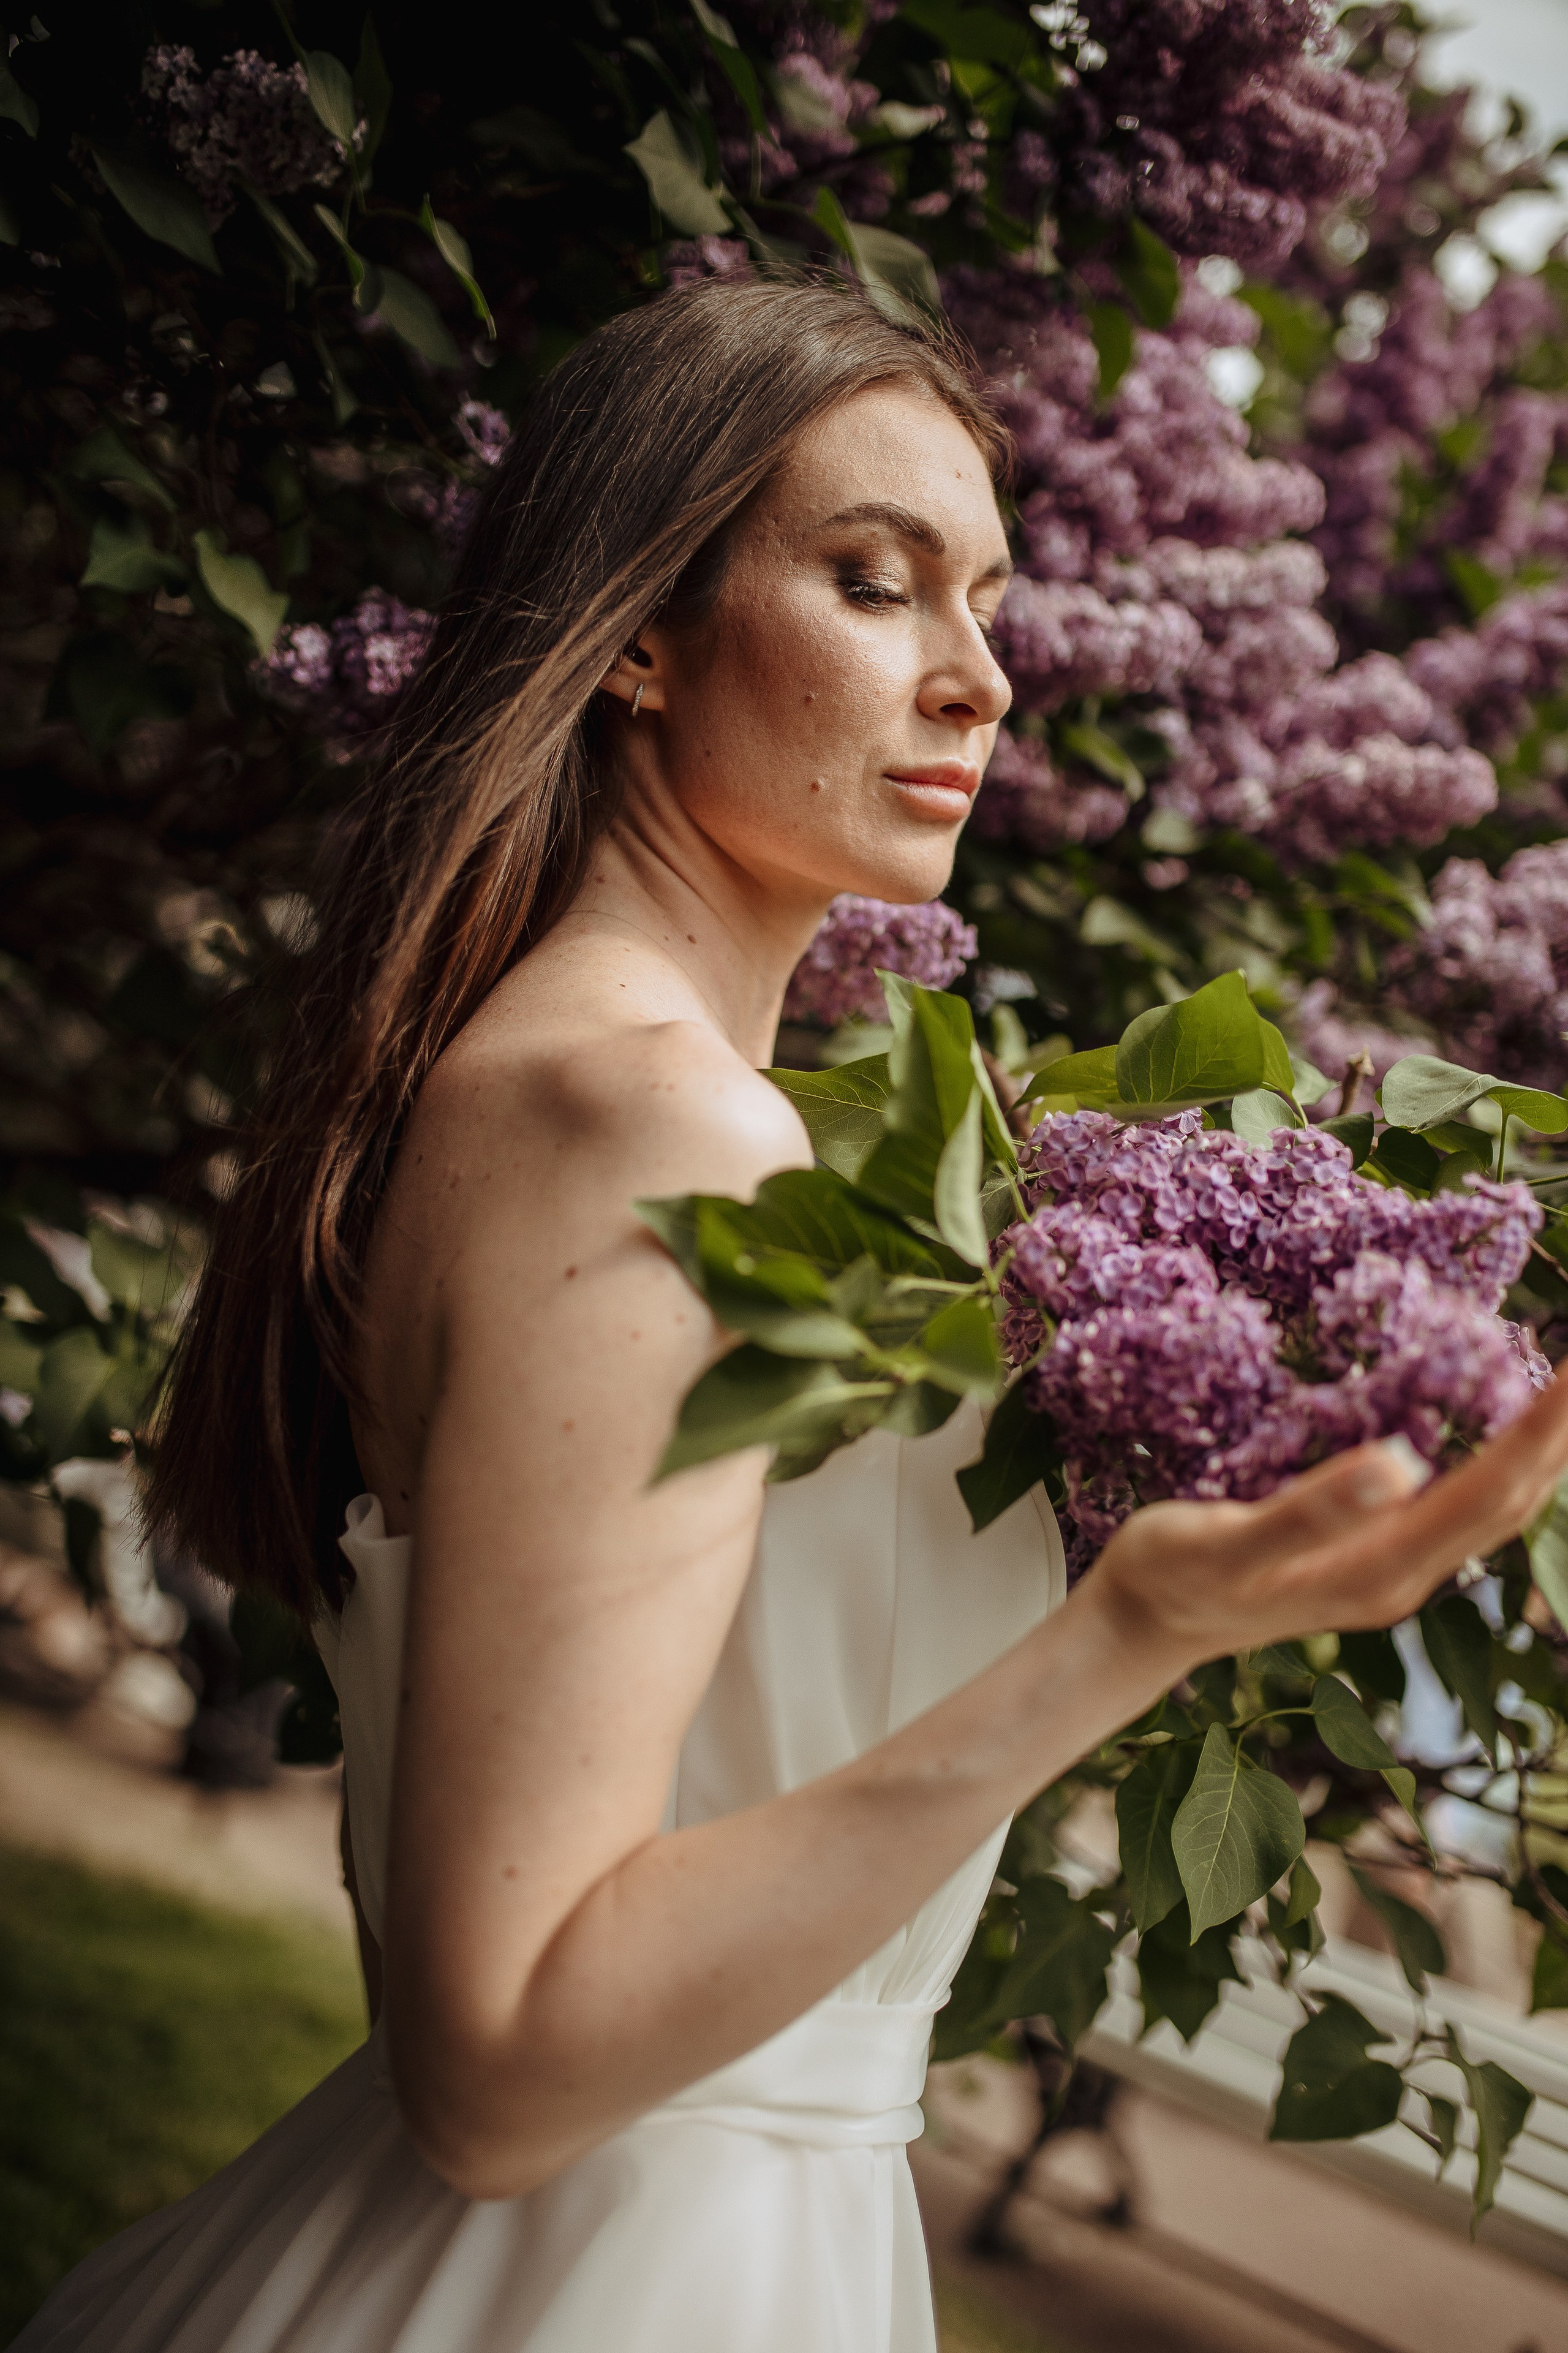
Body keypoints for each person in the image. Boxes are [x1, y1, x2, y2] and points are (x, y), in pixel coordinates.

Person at [20, 275, 1568, 2353]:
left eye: (991, 602)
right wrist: (1137, 1629)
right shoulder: (650, 1125)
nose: (982, 680)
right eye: (874, 583)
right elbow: (492, 2065)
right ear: (640, 633)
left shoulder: (583, 1083)